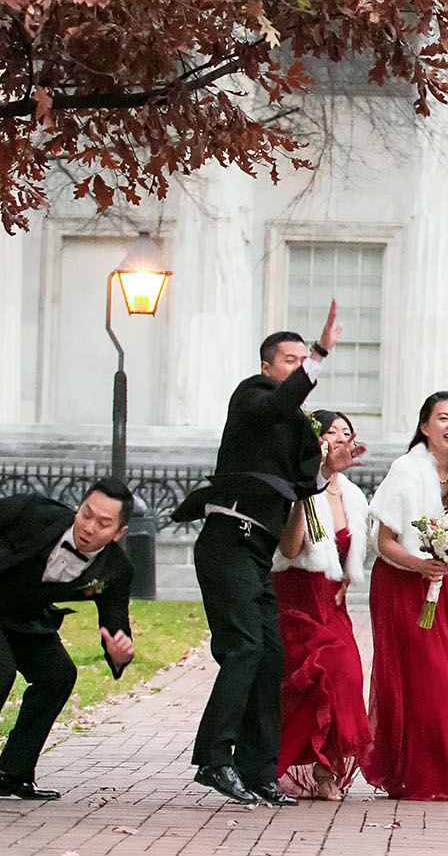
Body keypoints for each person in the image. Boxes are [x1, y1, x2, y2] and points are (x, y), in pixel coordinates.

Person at [173, 306, 358, 805]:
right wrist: (320, 354)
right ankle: (216, 760)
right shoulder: (252, 398)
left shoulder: (295, 426)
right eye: (290, 359)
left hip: (256, 553)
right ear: (267, 368)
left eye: (303, 358)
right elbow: (278, 407)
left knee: (271, 656)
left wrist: (327, 470)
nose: (298, 366)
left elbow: (302, 485)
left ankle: (258, 771)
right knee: (244, 649)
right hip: (226, 540)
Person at [0, 481, 137, 806]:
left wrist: (120, 654)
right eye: (86, 514)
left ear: (118, 533)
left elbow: (115, 626)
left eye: (103, 523)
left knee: (58, 674)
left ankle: (11, 773)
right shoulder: (37, 513)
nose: (89, 527)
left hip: (19, 610)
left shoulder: (117, 570)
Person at [365, 392, 448, 801]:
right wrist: (419, 565)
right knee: (422, 682)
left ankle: (413, 765)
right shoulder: (406, 469)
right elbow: (384, 542)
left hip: (438, 585)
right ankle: (428, 776)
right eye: (444, 418)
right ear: (424, 426)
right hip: (400, 583)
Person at [270, 410, 373, 800]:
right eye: (332, 432)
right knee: (313, 680)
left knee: (346, 676)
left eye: (348, 433)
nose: (342, 439)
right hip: (296, 601)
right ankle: (282, 763)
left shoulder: (351, 493)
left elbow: (351, 555)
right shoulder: (295, 488)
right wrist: (306, 493)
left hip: (332, 605)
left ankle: (325, 766)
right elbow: (289, 549)